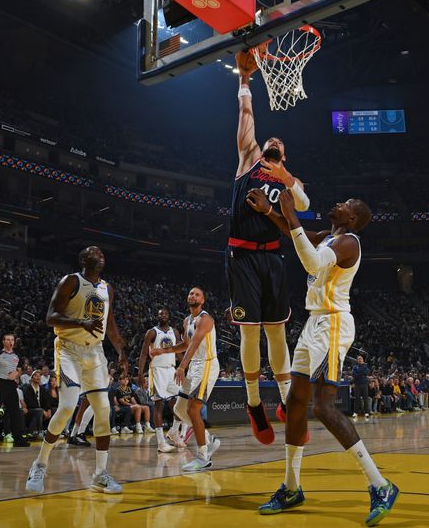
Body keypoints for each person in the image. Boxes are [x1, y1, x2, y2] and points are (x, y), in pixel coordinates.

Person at [250, 189, 398, 525]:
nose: (339, 204)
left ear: (353, 219)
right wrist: (269, 211)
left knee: (323, 406)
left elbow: (311, 261)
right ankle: (291, 488)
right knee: (295, 402)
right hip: (314, 322)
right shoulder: (327, 237)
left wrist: (289, 211)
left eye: (346, 205)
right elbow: (294, 234)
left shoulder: (349, 243)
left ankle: (381, 484)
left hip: (332, 323)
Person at [229, 49, 311, 444]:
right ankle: (252, 404)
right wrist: (245, 82)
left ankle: (283, 402)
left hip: (273, 259)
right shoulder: (248, 160)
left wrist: (286, 175)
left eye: (279, 144)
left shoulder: (285, 183)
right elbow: (247, 121)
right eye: (269, 142)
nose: (272, 142)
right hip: (243, 255)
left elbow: (308, 204)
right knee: (250, 334)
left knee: (277, 334)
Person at [26, 246, 128, 495]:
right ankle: (39, 464)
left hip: (95, 353)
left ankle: (100, 474)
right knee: (68, 406)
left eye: (103, 253)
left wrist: (122, 352)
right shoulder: (71, 281)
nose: (101, 254)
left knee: (103, 410)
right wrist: (80, 322)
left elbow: (110, 323)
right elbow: (50, 317)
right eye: (95, 253)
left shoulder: (107, 288)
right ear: (84, 259)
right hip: (68, 349)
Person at [154, 287, 220, 472]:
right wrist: (162, 350)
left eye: (197, 294)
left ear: (203, 300)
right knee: (179, 409)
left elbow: (196, 344)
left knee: (193, 409)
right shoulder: (187, 320)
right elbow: (186, 345)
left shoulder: (205, 319)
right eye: (191, 293)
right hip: (195, 365)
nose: (193, 296)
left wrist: (181, 367)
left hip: (206, 365)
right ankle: (209, 440)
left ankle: (203, 456)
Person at [137, 307, 185, 453]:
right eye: (160, 314)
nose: (162, 315)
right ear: (157, 317)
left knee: (179, 405)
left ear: (169, 315)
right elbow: (144, 354)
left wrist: (183, 367)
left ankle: (174, 433)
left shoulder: (174, 332)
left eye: (164, 313)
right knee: (159, 406)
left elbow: (178, 352)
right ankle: (160, 443)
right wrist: (140, 374)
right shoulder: (152, 332)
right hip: (157, 370)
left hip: (171, 370)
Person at [0, 334, 29, 449]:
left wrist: (16, 374)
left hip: (11, 386)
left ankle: (18, 440)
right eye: (8, 339)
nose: (10, 341)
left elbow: (19, 369)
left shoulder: (18, 355)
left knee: (16, 413)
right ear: (3, 342)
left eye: (12, 339)